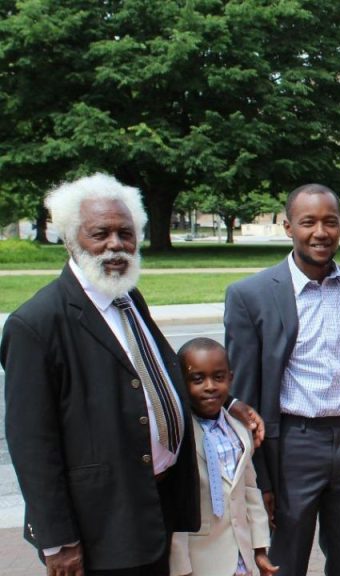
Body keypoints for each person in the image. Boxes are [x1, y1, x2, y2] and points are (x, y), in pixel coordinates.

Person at [2, 174, 203, 574]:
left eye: (125, 233)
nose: (116, 244)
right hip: (99, 525)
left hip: (152, 507)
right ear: (71, 239)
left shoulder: (128, 298)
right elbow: (32, 446)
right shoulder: (37, 324)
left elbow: (159, 379)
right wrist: (57, 539)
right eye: (101, 233)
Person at [224, 184, 340, 576]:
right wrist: (261, 474)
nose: (320, 232)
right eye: (308, 222)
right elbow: (244, 393)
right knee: (285, 558)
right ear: (289, 227)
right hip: (293, 445)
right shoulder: (251, 295)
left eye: (330, 222)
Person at [170, 338, 278, 576]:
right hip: (201, 561)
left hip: (241, 558)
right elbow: (174, 508)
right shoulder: (179, 435)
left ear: (230, 378)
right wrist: (180, 569)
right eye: (198, 379)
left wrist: (259, 548)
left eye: (218, 377)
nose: (210, 386)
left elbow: (250, 489)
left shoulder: (239, 430)